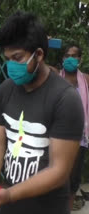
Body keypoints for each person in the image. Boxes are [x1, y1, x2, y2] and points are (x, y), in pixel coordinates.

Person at [0, 11, 84, 214]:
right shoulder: (5, 91)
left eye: (17, 58)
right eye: (7, 59)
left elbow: (59, 171)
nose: (11, 66)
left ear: (39, 54)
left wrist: (8, 194)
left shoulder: (65, 99)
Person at [58, 44, 89, 211]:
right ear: (63, 58)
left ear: (80, 59)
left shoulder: (86, 80)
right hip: (56, 135)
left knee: (73, 178)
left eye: (74, 55)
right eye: (67, 55)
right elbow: (37, 67)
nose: (70, 58)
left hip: (79, 138)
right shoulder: (56, 77)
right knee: (55, 176)